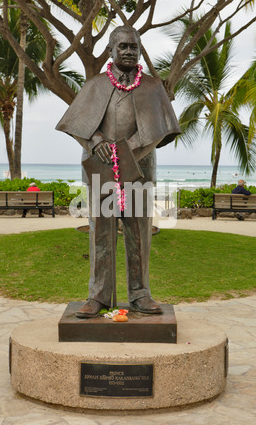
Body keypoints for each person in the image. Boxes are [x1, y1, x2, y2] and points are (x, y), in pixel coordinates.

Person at [56, 26, 181, 318]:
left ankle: (140, 294)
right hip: (100, 171)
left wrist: (126, 150)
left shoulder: (152, 86)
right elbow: (79, 124)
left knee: (138, 233)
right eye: (122, 46)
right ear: (111, 50)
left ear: (140, 50)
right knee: (101, 232)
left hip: (138, 169)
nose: (128, 51)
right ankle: (98, 296)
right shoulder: (95, 84)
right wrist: (96, 140)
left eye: (134, 47)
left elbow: (159, 130)